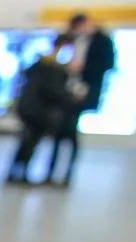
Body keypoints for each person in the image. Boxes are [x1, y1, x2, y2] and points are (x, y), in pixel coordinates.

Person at [44, 14, 116, 185]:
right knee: (59, 131)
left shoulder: (102, 41)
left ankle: (67, 174)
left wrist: (86, 67)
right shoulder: (69, 39)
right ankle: (50, 172)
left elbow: (108, 65)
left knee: (71, 131)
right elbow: (54, 53)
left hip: (84, 90)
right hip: (64, 91)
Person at [7, 35, 77, 185]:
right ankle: (19, 173)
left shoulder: (43, 63)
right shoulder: (52, 67)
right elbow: (52, 91)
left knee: (27, 141)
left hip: (31, 109)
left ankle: (17, 172)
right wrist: (71, 97)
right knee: (30, 142)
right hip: (38, 111)